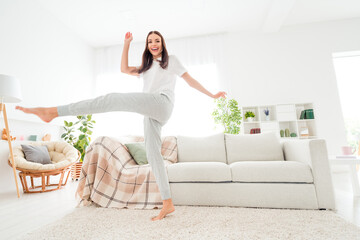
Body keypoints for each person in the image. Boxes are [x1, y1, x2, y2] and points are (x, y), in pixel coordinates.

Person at [16, 30, 227, 221]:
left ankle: (53, 111)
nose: (154, 43)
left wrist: (212, 94)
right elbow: (124, 69)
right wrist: (126, 43)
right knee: (154, 157)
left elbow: (190, 81)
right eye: (150, 41)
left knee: (111, 99)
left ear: (163, 44)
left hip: (162, 103)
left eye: (157, 40)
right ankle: (167, 203)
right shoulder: (146, 67)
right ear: (147, 46)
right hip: (151, 112)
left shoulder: (171, 60)